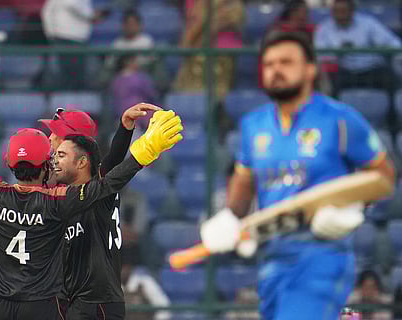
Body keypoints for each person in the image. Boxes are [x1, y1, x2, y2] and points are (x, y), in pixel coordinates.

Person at [199, 31, 395, 320]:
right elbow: (243, 185)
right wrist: (228, 218)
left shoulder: (340, 119)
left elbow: (384, 177)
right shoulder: (253, 125)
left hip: (322, 256)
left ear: (310, 69)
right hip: (272, 260)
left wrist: (352, 208)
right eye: (269, 64)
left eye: (286, 62)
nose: (276, 70)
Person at [0, 111, 183, 319]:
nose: (52, 143)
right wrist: (142, 151)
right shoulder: (57, 199)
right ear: (45, 164)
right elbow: (109, 180)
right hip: (52, 304)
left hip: (89, 303)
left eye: (58, 142)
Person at [39, 103, 170, 320]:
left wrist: (126, 131)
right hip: (79, 298)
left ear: (76, 146)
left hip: (94, 300)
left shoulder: (95, 184)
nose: (50, 138)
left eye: (56, 134)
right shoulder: (67, 184)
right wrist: (125, 128)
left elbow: (109, 167)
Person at [314, 0, 401, 92]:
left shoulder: (368, 23)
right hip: (343, 71)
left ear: (352, 11)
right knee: (330, 87)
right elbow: (320, 55)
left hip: (372, 68)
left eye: (343, 11)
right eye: (336, 11)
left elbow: (392, 43)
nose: (340, 15)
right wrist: (338, 53)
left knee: (392, 81)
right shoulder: (324, 28)